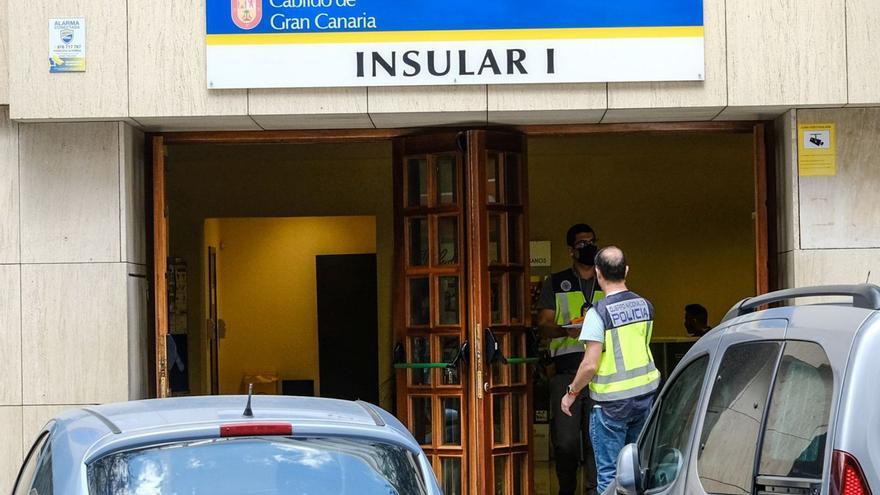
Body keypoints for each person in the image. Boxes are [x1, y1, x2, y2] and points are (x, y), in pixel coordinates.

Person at [561, 246, 660, 493]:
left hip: (611, 406)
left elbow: (590, 364)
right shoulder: (646, 306)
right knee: (638, 472)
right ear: (626, 270)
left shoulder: (599, 314)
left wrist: (571, 393)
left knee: (610, 475)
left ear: (597, 273)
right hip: (645, 398)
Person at [536, 224, 602, 495]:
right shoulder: (556, 281)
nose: (588, 247)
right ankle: (566, 490)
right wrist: (567, 329)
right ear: (571, 250)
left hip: (600, 371)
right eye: (582, 243)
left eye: (592, 242)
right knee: (565, 443)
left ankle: (594, 490)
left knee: (595, 440)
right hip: (566, 371)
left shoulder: (606, 280)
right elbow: (543, 324)